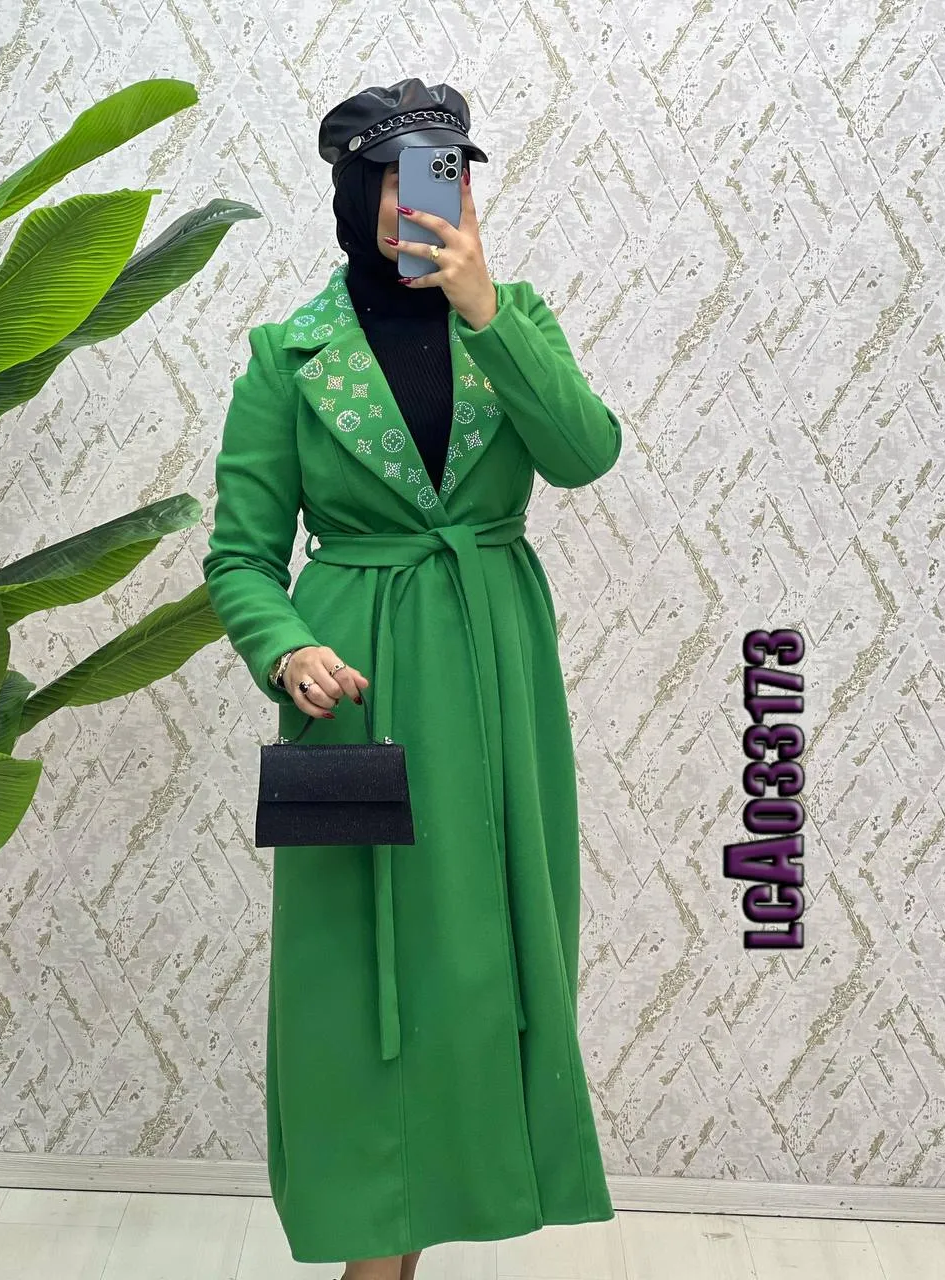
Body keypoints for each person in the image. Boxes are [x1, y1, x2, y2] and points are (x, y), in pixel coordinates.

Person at [203, 77, 622, 1280]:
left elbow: (584, 453)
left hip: (494, 670)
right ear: (352, 194)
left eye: (443, 172)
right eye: (391, 176)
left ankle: (432, 1225)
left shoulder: (512, 319)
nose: (418, 198)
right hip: (353, 686)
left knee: (483, 953)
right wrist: (285, 646)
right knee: (351, 975)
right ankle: (370, 1249)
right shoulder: (288, 356)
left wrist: (483, 310)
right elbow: (240, 555)